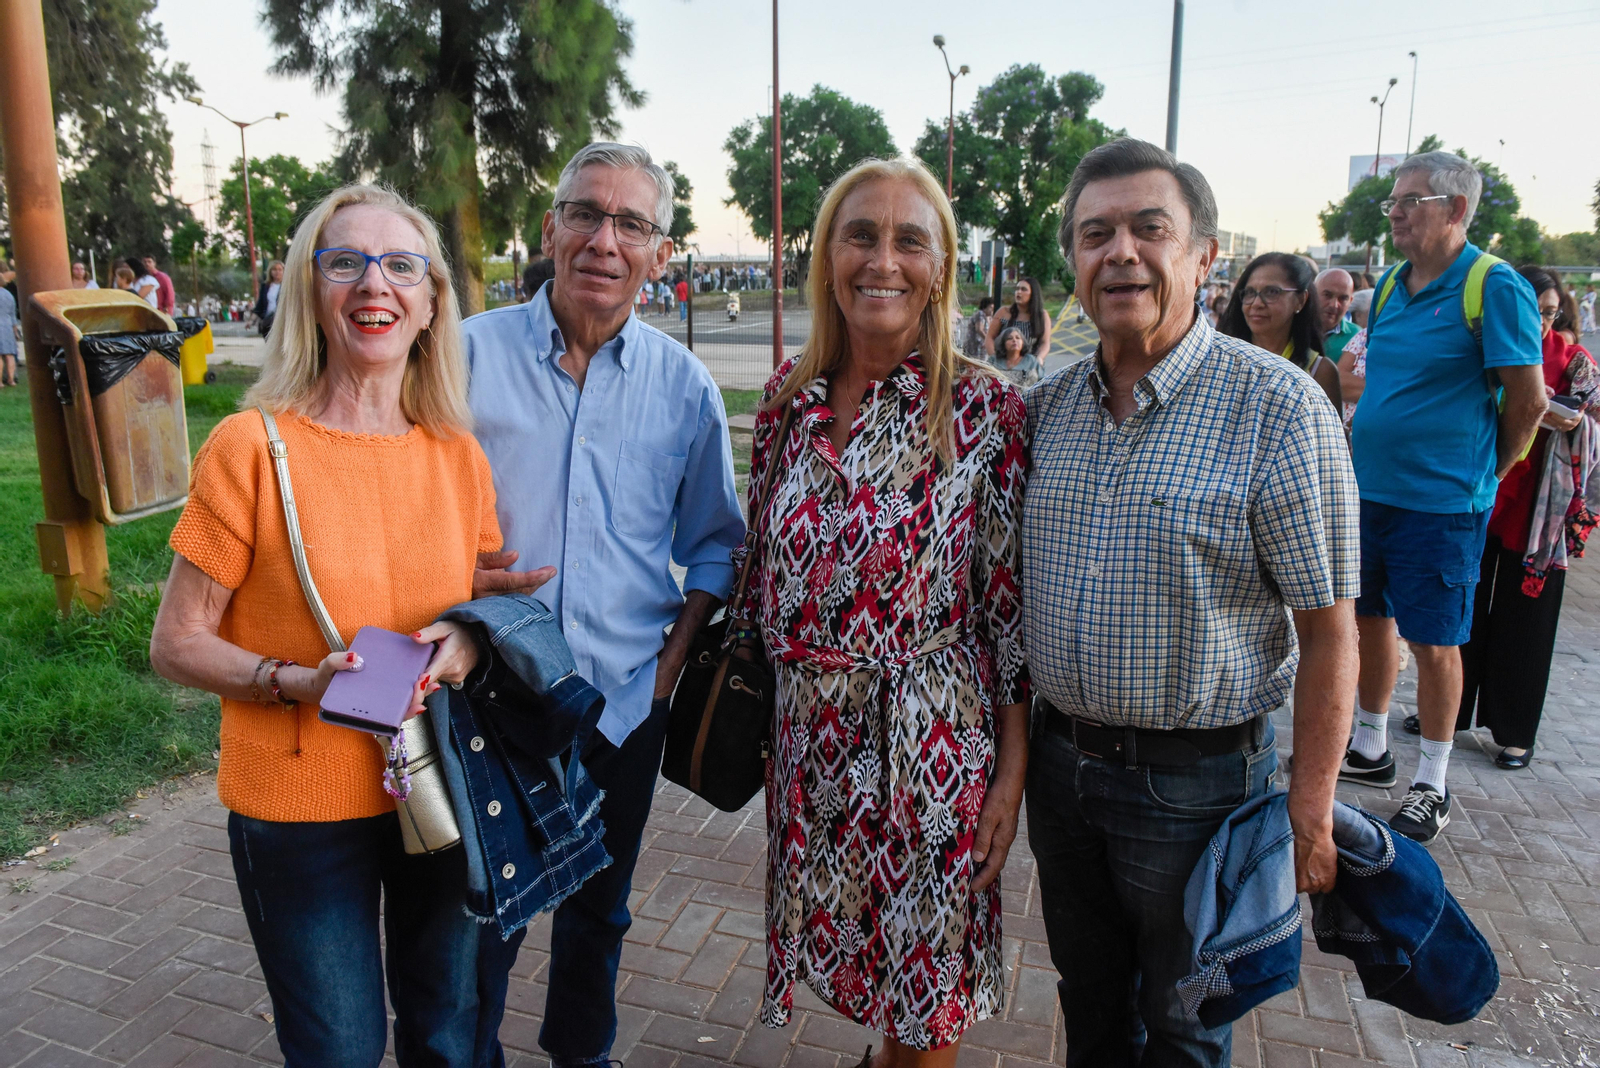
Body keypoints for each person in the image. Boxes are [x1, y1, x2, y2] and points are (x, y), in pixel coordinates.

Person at [148, 184, 519, 1066]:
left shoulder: (458, 455)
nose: (372, 284)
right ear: (309, 294)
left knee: (446, 1035)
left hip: (436, 784)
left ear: (431, 305)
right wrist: (291, 681)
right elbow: (177, 641)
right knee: (338, 1050)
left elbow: (472, 601)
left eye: (401, 265)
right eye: (343, 261)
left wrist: (474, 636)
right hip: (299, 802)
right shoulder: (249, 445)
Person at [1025, 138, 1357, 1068]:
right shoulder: (1048, 410)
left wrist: (1313, 807)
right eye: (1095, 234)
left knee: (1184, 1027)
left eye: (1148, 229)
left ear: (1205, 255)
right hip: (1062, 773)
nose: (1120, 252)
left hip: (1198, 792)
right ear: (1074, 260)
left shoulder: (1278, 407)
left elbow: (1334, 634)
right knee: (1089, 1002)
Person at [460, 142, 745, 1068]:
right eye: (585, 213)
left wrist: (668, 668)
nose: (604, 240)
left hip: (624, 703)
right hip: (486, 701)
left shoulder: (684, 389)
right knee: (480, 913)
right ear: (550, 231)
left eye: (632, 223)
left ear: (661, 254)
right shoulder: (463, 358)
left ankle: (583, 1053)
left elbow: (714, 545)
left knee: (601, 908)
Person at [743, 155, 1028, 1068]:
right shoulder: (788, 400)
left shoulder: (983, 409)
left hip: (930, 743)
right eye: (860, 234)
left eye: (911, 240)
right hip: (809, 739)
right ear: (827, 255)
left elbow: (1007, 615)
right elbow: (759, 571)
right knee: (856, 948)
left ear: (942, 265)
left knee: (925, 993)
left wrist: (1011, 775)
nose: (883, 260)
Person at [1342, 151, 1546, 844]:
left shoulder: (1494, 286)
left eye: (1410, 200)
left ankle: (1433, 781)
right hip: (1371, 493)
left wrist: (1487, 473)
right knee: (1369, 619)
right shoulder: (1395, 282)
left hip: (1442, 504)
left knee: (1435, 641)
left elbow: (1529, 401)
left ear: (1455, 209)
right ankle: (1369, 746)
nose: (1395, 212)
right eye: (1393, 201)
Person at [1454, 266, 1600, 770]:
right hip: (1479, 493)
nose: (1539, 322)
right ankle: (1450, 711)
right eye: (1531, 310)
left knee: (1527, 620)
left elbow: (1583, 414)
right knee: (1463, 606)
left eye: (1549, 313)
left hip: (1539, 510)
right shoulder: (1484, 351)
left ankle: (1515, 731)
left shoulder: (1575, 361)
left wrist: (1550, 410)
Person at [1216, 252, 1343, 412]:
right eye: (1249, 292)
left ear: (1300, 300)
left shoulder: (1319, 372)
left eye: (1272, 292)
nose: (1256, 303)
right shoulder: (1220, 361)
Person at [985, 275, 1052, 360]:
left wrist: (1039, 359)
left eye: (1023, 289)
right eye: (1017, 289)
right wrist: (994, 358)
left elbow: (1045, 343)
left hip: (1029, 364)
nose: (1018, 292)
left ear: (1033, 293)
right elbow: (990, 337)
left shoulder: (1042, 315)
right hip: (1004, 364)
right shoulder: (1003, 312)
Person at [1316, 267, 1359, 363]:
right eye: (1327, 295)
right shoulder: (1292, 327)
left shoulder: (1357, 338)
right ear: (1313, 293)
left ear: (1350, 301)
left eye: (1343, 298)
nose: (1334, 305)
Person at [254, 261, 286, 337]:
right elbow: (260, 305)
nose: (277, 272)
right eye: (274, 269)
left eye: (279, 269)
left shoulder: (287, 286)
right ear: (270, 271)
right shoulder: (265, 286)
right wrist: (251, 321)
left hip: (282, 322)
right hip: (268, 322)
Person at [0, 278, 17, 388]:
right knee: (9, 355)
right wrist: (15, 330)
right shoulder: (9, 295)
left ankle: (0, 382)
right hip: (8, 326)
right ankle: (11, 380)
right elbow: (13, 314)